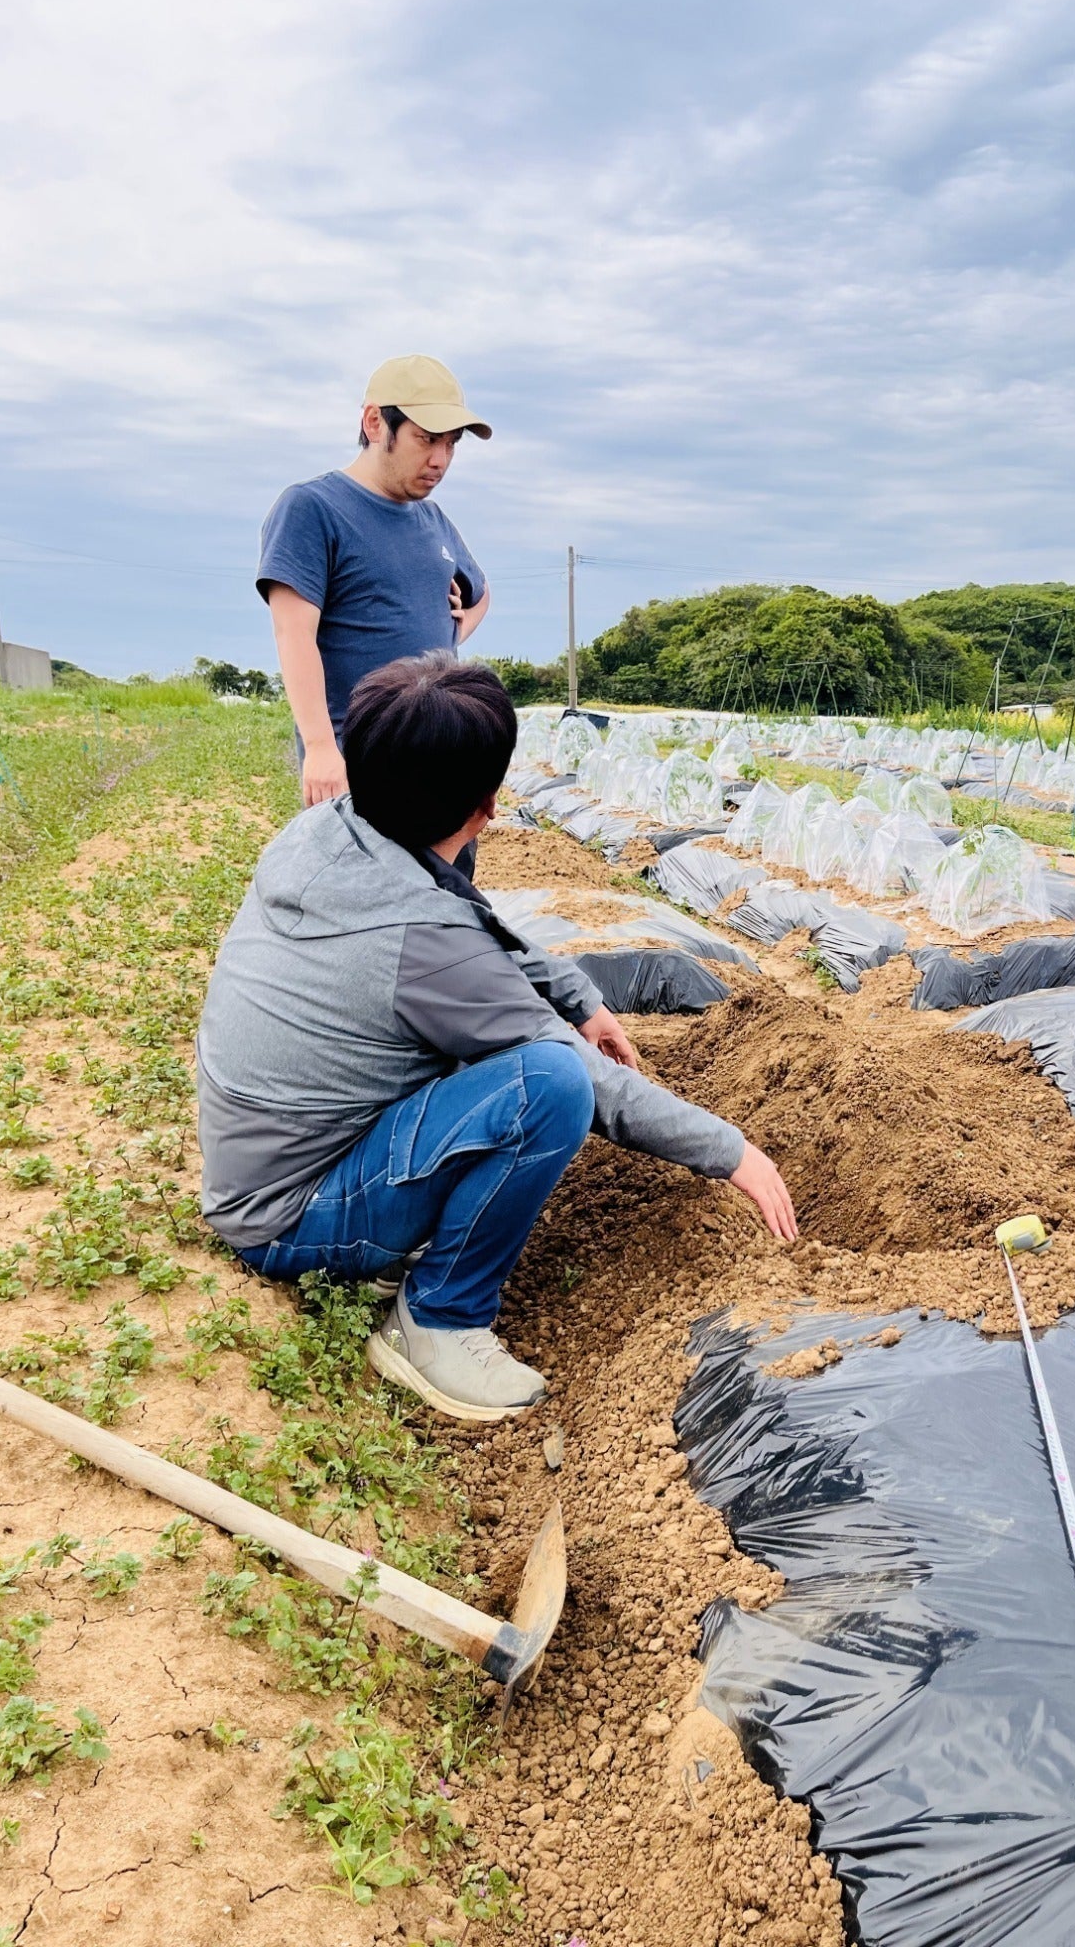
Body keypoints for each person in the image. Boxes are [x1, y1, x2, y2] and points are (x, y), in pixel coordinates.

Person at [195, 653, 797, 1423]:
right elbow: (585, 1076)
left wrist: (578, 995)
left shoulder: (327, 829)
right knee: (549, 1086)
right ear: (486, 806)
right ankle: (438, 1321)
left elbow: (464, 915)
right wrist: (733, 1151)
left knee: (499, 1051)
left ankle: (397, 1248)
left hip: (256, 1167)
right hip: (289, 1217)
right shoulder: (424, 947)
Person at [258, 355, 494, 808]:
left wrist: (453, 628)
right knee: (362, 857)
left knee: (448, 858)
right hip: (359, 760)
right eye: (427, 439)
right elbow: (293, 634)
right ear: (374, 423)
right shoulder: (313, 508)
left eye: (451, 444)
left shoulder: (433, 520)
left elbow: (481, 595)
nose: (440, 460)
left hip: (441, 753)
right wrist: (321, 747)